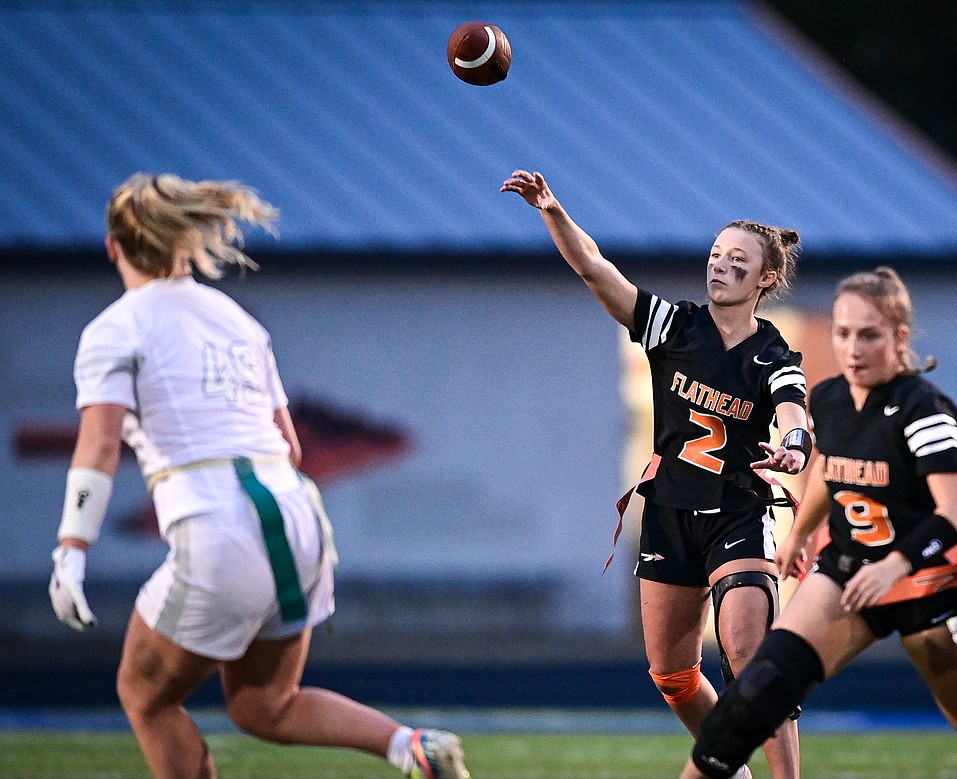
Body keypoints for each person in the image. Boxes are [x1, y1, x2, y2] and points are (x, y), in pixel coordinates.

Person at [48, 173, 471, 779]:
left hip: (218, 524)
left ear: (113, 246)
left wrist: (72, 546)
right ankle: (411, 746)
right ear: (184, 241)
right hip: (297, 513)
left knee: (145, 696)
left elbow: (100, 442)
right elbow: (290, 445)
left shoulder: (114, 329)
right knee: (262, 705)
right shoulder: (238, 319)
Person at [502, 169, 810, 778]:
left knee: (750, 655)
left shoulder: (773, 350)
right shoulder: (674, 326)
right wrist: (551, 210)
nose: (719, 266)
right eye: (716, 255)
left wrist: (795, 447)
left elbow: (793, 407)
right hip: (669, 511)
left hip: (738, 510)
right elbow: (594, 268)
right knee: (673, 674)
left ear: (767, 277)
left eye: (737, 260)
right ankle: (734, 766)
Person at [680, 266, 957, 779]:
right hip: (850, 568)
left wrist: (895, 565)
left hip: (932, 580)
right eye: (843, 333)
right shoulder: (829, 398)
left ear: (898, 338)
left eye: (868, 335)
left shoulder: (924, 409)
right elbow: (832, 473)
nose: (853, 348)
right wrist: (802, 532)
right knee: (763, 685)